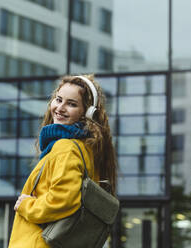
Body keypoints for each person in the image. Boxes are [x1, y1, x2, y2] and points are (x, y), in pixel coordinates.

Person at [8, 74, 117, 248]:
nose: (60, 108)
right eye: (58, 100)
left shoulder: (66, 148)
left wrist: (26, 205)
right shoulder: (86, 148)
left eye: (71, 104)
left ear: (86, 112)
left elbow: (62, 200)